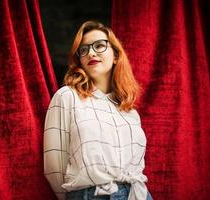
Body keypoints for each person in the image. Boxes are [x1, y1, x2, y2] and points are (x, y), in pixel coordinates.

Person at [43, 20, 152, 200]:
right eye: (83, 50)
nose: (91, 53)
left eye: (99, 45)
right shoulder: (67, 97)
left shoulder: (130, 112)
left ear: (116, 55)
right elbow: (54, 167)